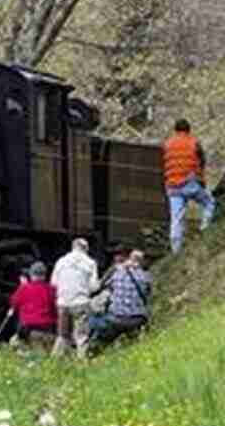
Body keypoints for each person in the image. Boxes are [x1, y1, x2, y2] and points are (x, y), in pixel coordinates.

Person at [162, 119, 215, 254]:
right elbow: (201, 161)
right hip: (190, 182)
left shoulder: (167, 144)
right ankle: (205, 230)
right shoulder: (194, 142)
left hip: (173, 186)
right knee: (209, 203)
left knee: (176, 218)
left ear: (175, 130)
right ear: (188, 130)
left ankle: (176, 250)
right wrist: (201, 179)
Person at [92, 250, 152, 351]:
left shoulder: (116, 271)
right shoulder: (146, 277)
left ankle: (93, 352)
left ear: (129, 258)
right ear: (142, 262)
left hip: (116, 317)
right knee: (133, 343)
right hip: (137, 319)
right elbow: (147, 294)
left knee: (95, 320)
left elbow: (101, 287)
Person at [50, 238, 98, 359]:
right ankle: (81, 362)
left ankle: (55, 361)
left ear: (73, 247)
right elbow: (93, 287)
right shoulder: (90, 263)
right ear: (86, 249)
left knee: (62, 335)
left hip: (63, 303)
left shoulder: (61, 261)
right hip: (80, 303)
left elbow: (54, 283)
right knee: (81, 336)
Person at [9, 261, 57, 347]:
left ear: (31, 275)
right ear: (44, 276)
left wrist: (22, 285)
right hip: (47, 327)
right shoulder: (51, 289)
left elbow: (14, 303)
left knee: (14, 341)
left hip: (28, 328)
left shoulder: (24, 288)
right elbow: (56, 306)